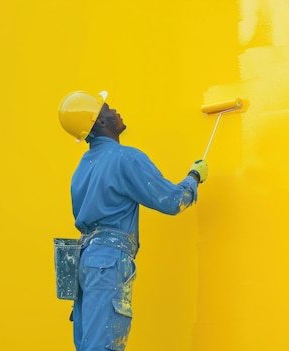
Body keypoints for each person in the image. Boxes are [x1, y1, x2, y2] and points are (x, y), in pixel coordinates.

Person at [58, 90, 208, 351]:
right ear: (101, 123)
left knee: (87, 344)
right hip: (107, 261)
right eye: (108, 109)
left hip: (84, 261)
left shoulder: (82, 167)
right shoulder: (126, 158)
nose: (115, 111)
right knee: (102, 346)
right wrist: (193, 177)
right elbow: (172, 201)